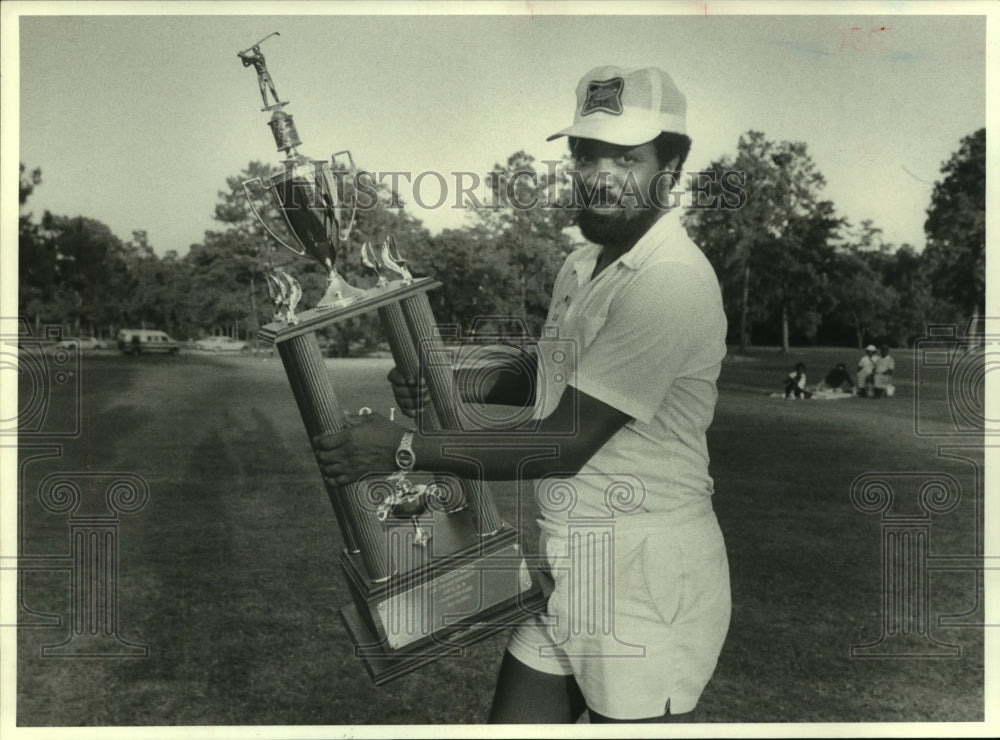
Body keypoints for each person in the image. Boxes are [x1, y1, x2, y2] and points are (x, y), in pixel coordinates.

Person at [313, 66, 730, 724]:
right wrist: (458, 382)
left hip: (645, 579)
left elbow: (562, 442)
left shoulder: (671, 279)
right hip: (565, 564)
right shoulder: (583, 264)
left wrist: (400, 450)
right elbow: (559, 370)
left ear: (672, 167)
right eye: (586, 153)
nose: (598, 173)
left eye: (627, 157)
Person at [237, 45, 283, 110]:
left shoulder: (260, 56)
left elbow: (249, 58)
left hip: (266, 74)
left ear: (258, 50)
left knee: (272, 88)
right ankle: (266, 105)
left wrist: (242, 55)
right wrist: (242, 58)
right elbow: (246, 65)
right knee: (262, 90)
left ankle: (278, 101)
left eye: (255, 50)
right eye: (254, 50)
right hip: (260, 76)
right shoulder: (253, 59)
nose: (255, 51)